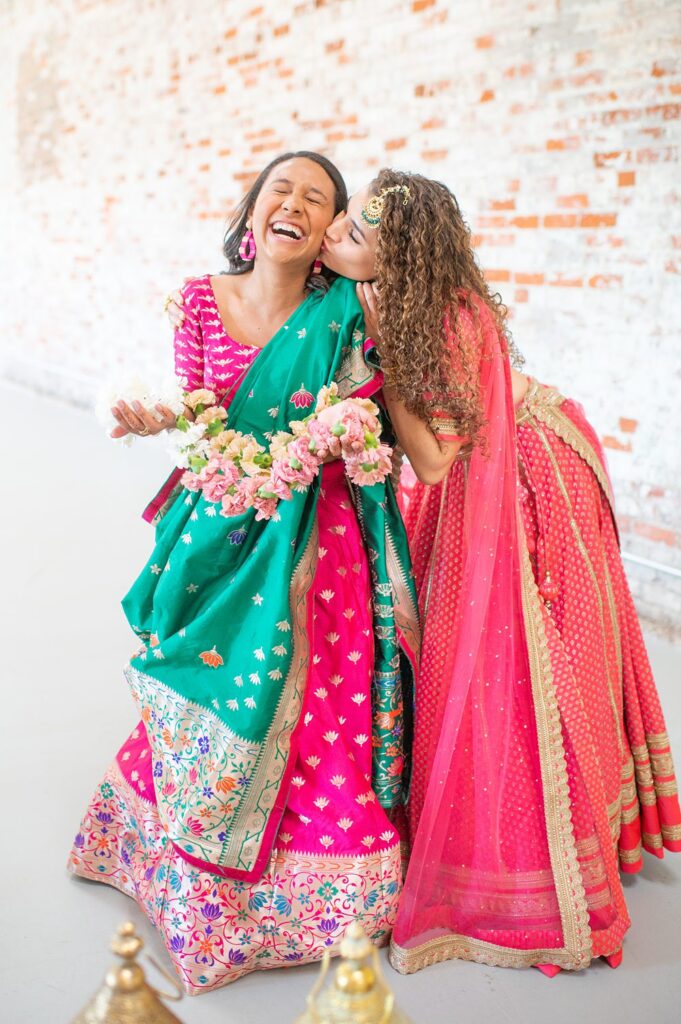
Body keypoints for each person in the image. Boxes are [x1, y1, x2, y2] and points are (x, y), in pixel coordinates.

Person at [169, 167, 681, 974]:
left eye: (351, 233)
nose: (332, 234)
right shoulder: (385, 298)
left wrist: (375, 387)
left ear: (392, 261)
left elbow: (435, 461)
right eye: (342, 224)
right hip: (492, 457)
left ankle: (533, 851)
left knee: (518, 668)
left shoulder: (409, 317)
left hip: (525, 473)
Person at [68, 152, 418, 995]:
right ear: (253, 211)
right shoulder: (198, 299)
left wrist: (349, 436)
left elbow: (389, 427)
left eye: (318, 199)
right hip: (218, 531)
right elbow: (198, 411)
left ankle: (317, 892)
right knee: (195, 688)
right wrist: (158, 417)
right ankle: (180, 860)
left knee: (316, 705)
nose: (294, 205)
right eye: (280, 190)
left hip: (319, 545)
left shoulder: (349, 309)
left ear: (332, 230)